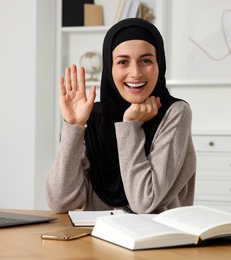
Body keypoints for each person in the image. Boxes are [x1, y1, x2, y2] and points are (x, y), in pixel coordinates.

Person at [46, 18, 196, 214]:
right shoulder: (92, 116)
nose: (135, 73)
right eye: (123, 62)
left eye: (146, 60)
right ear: (110, 68)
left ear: (159, 64)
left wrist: (130, 126)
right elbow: (60, 202)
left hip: (157, 241)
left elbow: (144, 202)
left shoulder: (174, 113)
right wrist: (73, 127)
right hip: (96, 240)